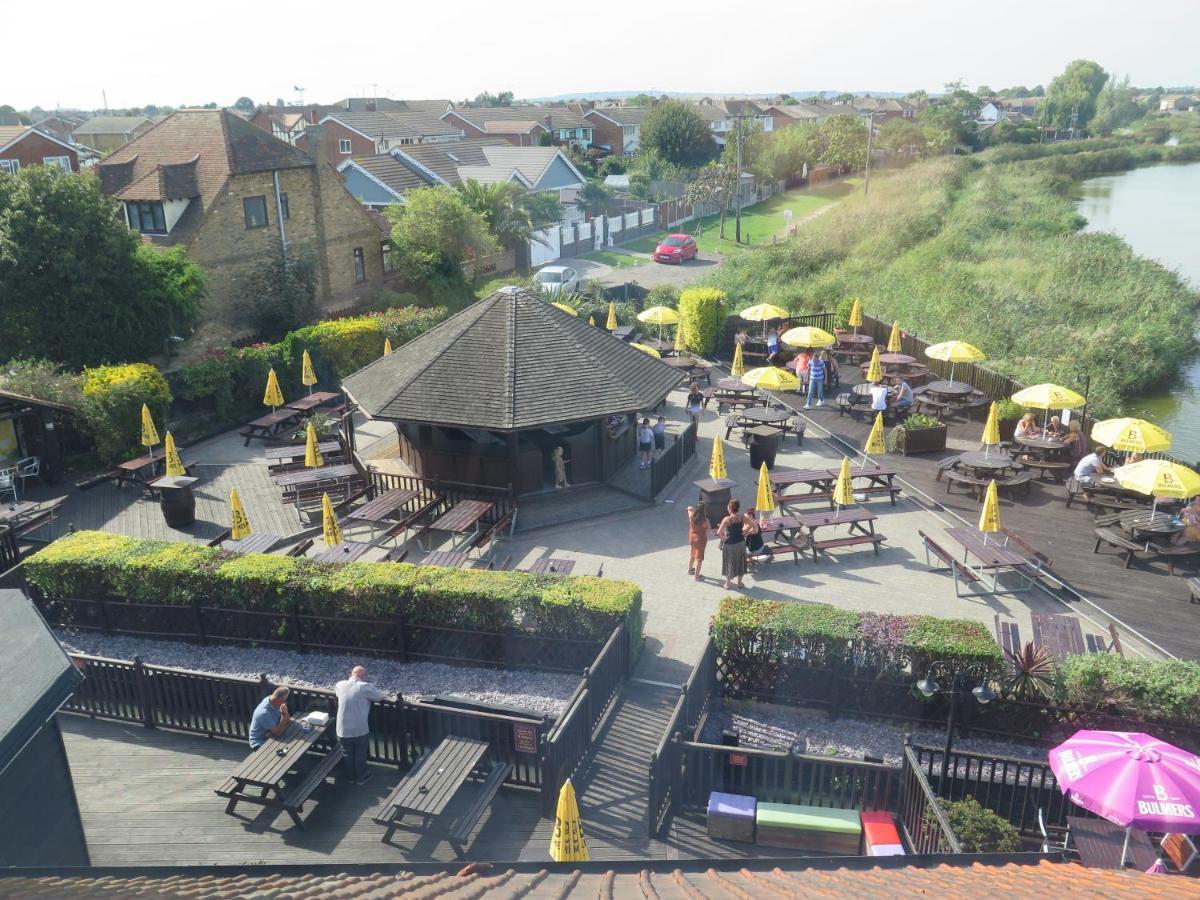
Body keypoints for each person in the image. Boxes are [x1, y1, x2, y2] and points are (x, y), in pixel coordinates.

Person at [335, 666, 388, 785]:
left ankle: (350, 777)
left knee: (347, 753)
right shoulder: (365, 687)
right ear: (363, 677)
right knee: (360, 753)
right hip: (359, 728)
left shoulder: (340, 684)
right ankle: (361, 777)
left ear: (351, 674)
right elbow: (379, 697)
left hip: (342, 728)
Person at [717, 499, 746, 590]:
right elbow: (753, 525)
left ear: (730, 508)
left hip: (730, 545)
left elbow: (719, 533)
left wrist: (724, 539)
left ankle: (728, 584)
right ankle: (740, 583)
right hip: (741, 543)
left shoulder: (727, 519)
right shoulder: (742, 516)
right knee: (741, 561)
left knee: (729, 562)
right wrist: (745, 532)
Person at [248, 686, 291, 750]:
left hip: (271, 736)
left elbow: (287, 720)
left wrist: (285, 714)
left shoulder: (273, 701)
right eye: (285, 700)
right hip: (259, 743)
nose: (285, 702)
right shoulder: (263, 713)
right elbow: (277, 733)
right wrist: (283, 715)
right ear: (281, 700)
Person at [686, 504, 709, 581]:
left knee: (692, 554)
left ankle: (689, 570)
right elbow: (708, 528)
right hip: (700, 540)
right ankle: (696, 576)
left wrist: (689, 509)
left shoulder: (692, 517)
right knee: (699, 559)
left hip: (692, 538)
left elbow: (689, 511)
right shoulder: (705, 520)